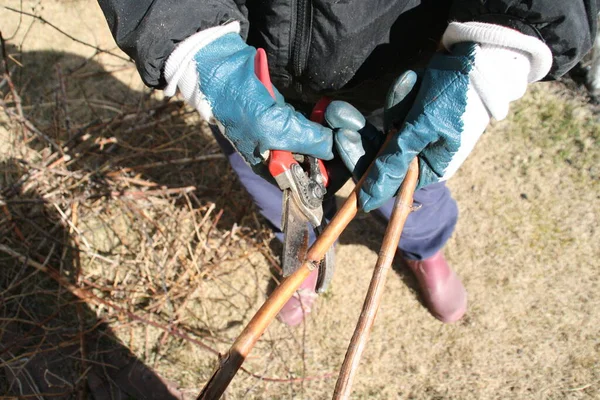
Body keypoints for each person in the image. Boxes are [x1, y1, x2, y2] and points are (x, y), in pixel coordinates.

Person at [97, 0, 598, 325]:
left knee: (409, 187)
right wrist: (194, 48)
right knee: (273, 186)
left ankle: (423, 247)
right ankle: (300, 260)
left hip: (399, 72)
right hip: (247, 69)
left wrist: (495, 58)